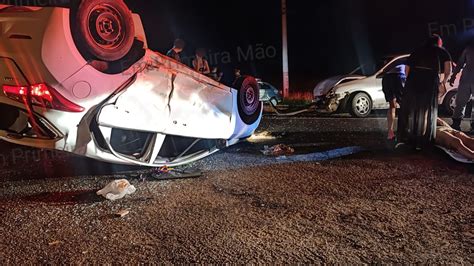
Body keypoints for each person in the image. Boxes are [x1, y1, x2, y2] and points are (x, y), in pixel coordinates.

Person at [397, 34, 452, 149]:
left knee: (409, 108)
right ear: (439, 42)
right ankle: (422, 141)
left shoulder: (418, 50)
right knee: (426, 109)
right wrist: (443, 82)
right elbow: (448, 69)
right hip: (430, 78)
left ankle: (404, 138)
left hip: (414, 78)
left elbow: (407, 69)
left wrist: (410, 81)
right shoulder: (442, 51)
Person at [450, 41, 474, 132]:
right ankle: (456, 124)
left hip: (466, 79)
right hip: (466, 80)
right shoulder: (469, 48)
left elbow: (460, 63)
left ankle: (457, 125)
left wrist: (453, 76)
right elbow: (460, 63)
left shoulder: (469, 48)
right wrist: (453, 75)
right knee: (460, 102)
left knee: (460, 103)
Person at [382, 63, 406, 140]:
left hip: (387, 77)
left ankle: (390, 133)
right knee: (403, 104)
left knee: (392, 105)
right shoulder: (403, 54)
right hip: (398, 76)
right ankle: (402, 132)